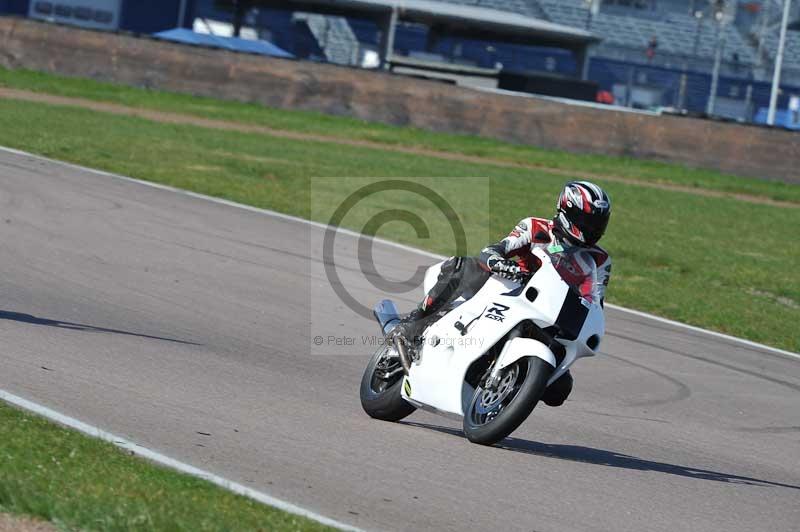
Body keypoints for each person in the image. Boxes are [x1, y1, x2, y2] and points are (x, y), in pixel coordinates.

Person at [389, 181, 612, 406]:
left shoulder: (600, 260)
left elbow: (594, 299)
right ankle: (414, 323)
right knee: (464, 267)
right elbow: (494, 250)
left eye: (598, 224)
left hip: (549, 312)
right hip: (509, 288)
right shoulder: (535, 227)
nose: (593, 229)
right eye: (587, 222)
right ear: (567, 211)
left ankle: (508, 388)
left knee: (560, 390)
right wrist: (501, 263)